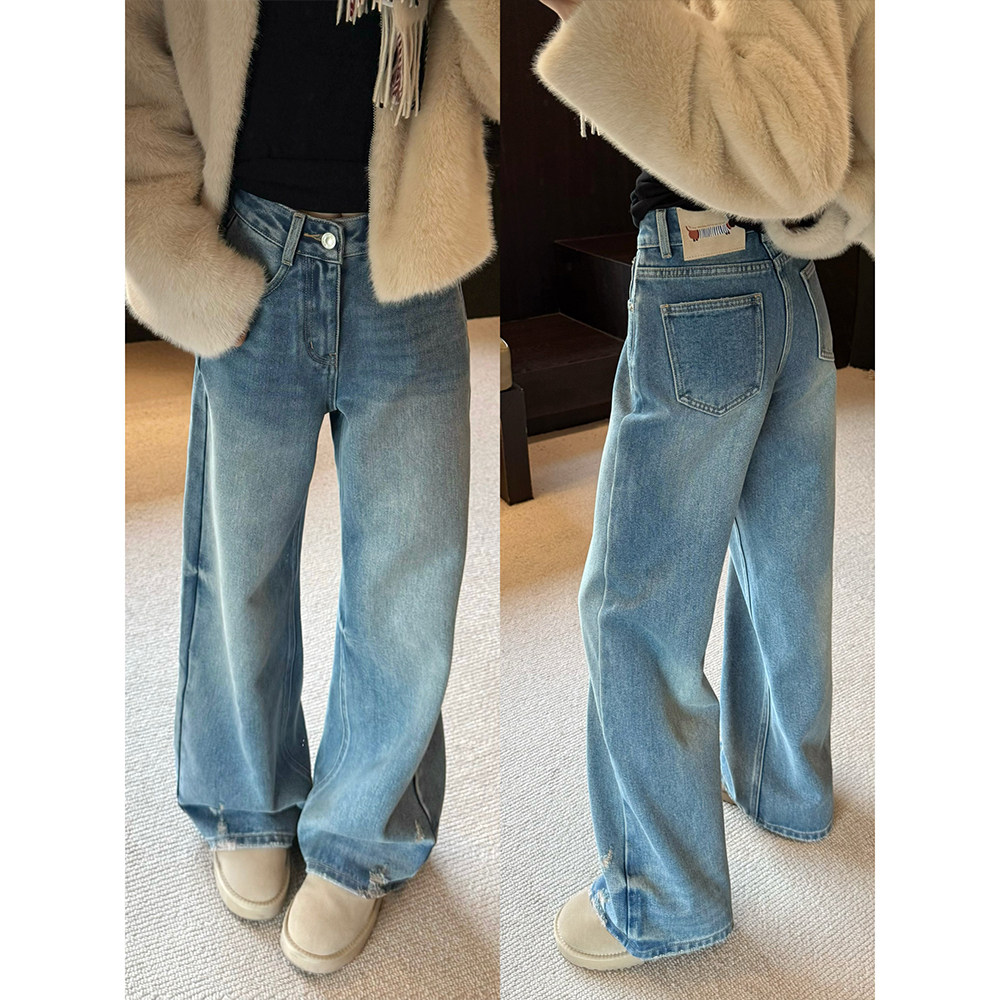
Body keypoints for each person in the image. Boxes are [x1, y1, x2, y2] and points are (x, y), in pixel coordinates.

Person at [125, 0, 498, 976]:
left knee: (408, 581)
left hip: (410, 249)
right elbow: (137, 54)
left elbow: (512, 69)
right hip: (249, 242)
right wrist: (161, 233)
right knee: (238, 557)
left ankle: (362, 833)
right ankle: (246, 797)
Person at [533, 0, 874, 969]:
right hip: (799, 273)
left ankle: (663, 895)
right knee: (784, 559)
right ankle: (786, 785)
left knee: (632, 603)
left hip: (700, 262)